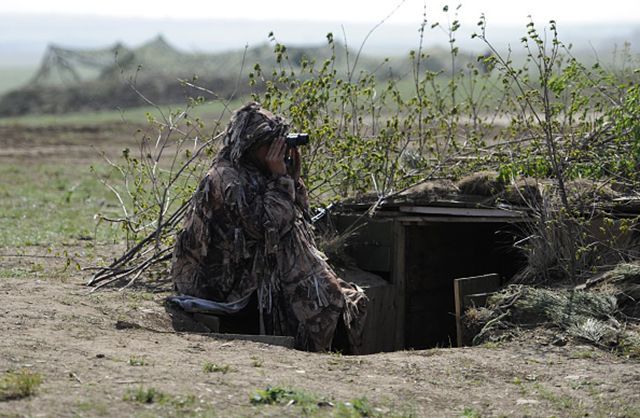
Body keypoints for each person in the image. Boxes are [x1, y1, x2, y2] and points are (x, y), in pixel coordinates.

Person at [170, 102, 367, 352]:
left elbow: (299, 218)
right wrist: (281, 179)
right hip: (224, 284)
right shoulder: (226, 179)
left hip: (253, 271)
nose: (276, 150)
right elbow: (266, 229)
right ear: (250, 146)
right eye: (269, 145)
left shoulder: (257, 171)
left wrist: (291, 178)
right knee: (319, 298)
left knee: (336, 297)